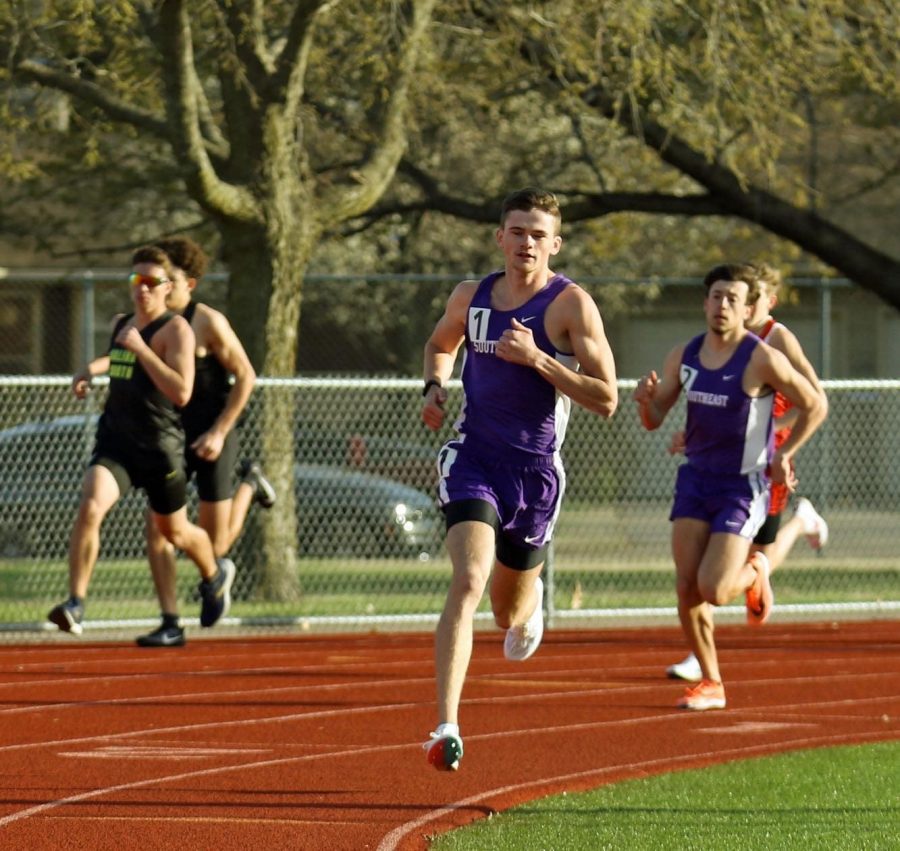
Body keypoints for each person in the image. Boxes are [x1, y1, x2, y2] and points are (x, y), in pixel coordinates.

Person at [420, 187, 618, 769]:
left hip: (535, 474)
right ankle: (446, 726)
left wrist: (540, 360)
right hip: (473, 459)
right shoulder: (471, 295)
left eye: (538, 234)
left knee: (506, 612)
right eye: (517, 231)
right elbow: (439, 344)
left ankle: (530, 609)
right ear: (499, 237)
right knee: (469, 578)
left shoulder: (570, 306)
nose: (526, 242)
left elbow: (606, 398)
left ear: (554, 244)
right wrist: (433, 387)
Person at [633, 263, 825, 710]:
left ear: (747, 309)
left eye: (732, 299)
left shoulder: (761, 357)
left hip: (742, 487)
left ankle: (757, 570)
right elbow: (654, 419)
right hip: (696, 479)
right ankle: (712, 682)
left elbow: (814, 404)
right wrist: (646, 402)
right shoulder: (686, 355)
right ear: (705, 303)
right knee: (686, 587)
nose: (722, 306)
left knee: (715, 590)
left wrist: (783, 453)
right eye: (716, 296)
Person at [48, 246, 235, 635]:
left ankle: (214, 573)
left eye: (151, 282)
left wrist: (142, 350)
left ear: (167, 287)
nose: (142, 290)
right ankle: (76, 603)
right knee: (91, 505)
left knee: (176, 532)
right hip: (117, 442)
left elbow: (181, 392)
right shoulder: (122, 325)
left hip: (160, 449)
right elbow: (119, 360)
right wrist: (89, 369)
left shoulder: (176, 330)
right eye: (137, 281)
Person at [136, 236, 276, 648]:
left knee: (214, 545)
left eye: (169, 280)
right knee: (158, 529)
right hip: (169, 439)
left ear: (188, 284)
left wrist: (218, 431)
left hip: (213, 434)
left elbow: (246, 376)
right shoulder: (145, 322)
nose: (159, 287)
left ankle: (249, 482)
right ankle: (170, 619)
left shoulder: (207, 322)